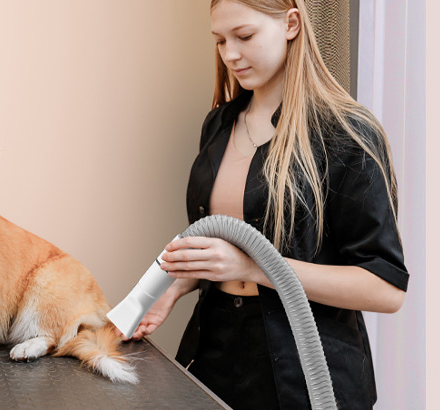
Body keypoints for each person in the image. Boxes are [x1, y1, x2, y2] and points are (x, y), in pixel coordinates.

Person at [126, 1, 409, 409]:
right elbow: (217, 243)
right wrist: (171, 288)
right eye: (221, 41)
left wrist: (252, 267)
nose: (230, 54)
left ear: (291, 24)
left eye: (244, 36)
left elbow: (385, 289)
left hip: (309, 378)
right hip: (215, 359)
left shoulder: (348, 134)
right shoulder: (219, 125)